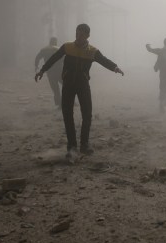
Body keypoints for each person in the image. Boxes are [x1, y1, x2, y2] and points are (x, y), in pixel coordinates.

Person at [35, 24, 123, 162]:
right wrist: (42, 70)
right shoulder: (67, 47)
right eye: (77, 33)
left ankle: (84, 145)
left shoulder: (92, 51)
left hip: (83, 85)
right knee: (67, 114)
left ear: (87, 36)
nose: (78, 37)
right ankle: (71, 147)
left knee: (87, 114)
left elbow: (103, 60)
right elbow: (54, 58)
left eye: (81, 34)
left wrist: (115, 67)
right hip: (68, 85)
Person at [35, 37, 63, 109]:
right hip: (59, 71)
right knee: (66, 85)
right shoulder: (59, 49)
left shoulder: (44, 50)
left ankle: (60, 104)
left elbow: (37, 58)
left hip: (50, 71)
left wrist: (36, 66)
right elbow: (65, 60)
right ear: (56, 42)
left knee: (55, 88)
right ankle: (67, 101)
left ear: (50, 42)